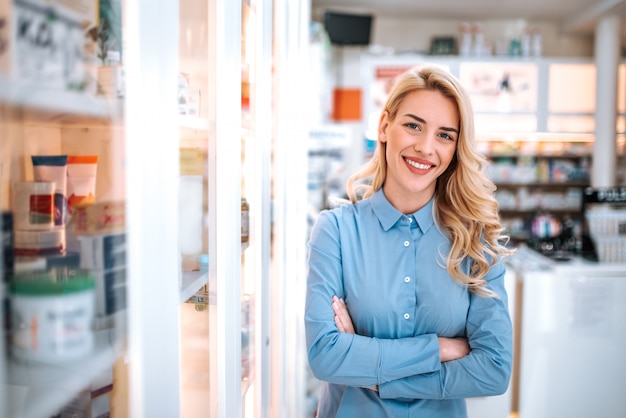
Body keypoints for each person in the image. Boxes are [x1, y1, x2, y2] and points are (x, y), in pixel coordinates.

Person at [304, 65, 515, 417]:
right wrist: (441, 349)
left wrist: (374, 372)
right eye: (414, 126)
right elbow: (325, 357)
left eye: (445, 135)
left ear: (455, 149)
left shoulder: (475, 243)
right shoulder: (336, 231)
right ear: (385, 126)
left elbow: (493, 370)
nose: (426, 147)